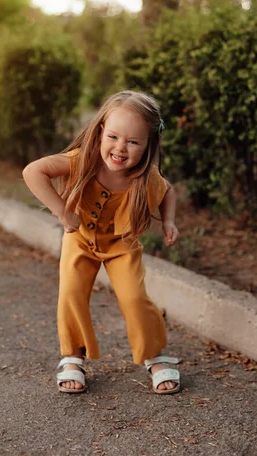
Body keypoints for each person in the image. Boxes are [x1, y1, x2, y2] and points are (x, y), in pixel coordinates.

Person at [22, 90, 180, 395]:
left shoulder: (145, 175)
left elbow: (168, 191)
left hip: (122, 244)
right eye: (113, 136)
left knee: (134, 297)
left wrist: (169, 221)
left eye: (133, 142)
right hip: (79, 239)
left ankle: (154, 354)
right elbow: (33, 171)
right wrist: (61, 211)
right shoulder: (83, 160)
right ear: (99, 132)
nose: (120, 148)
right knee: (71, 292)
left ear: (148, 146)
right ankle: (72, 356)